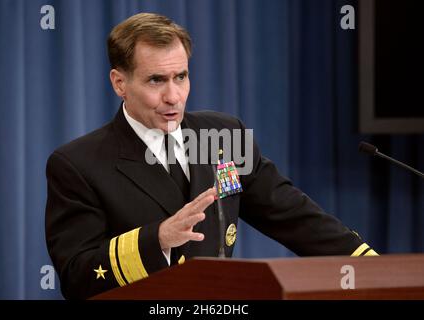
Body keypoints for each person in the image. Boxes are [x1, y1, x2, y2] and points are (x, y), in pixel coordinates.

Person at [45, 12, 377, 300]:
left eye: (181, 77)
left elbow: (291, 214)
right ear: (119, 83)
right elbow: (78, 277)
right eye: (156, 80)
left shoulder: (222, 136)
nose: (173, 96)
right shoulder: (79, 164)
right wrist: (157, 238)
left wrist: (372, 268)